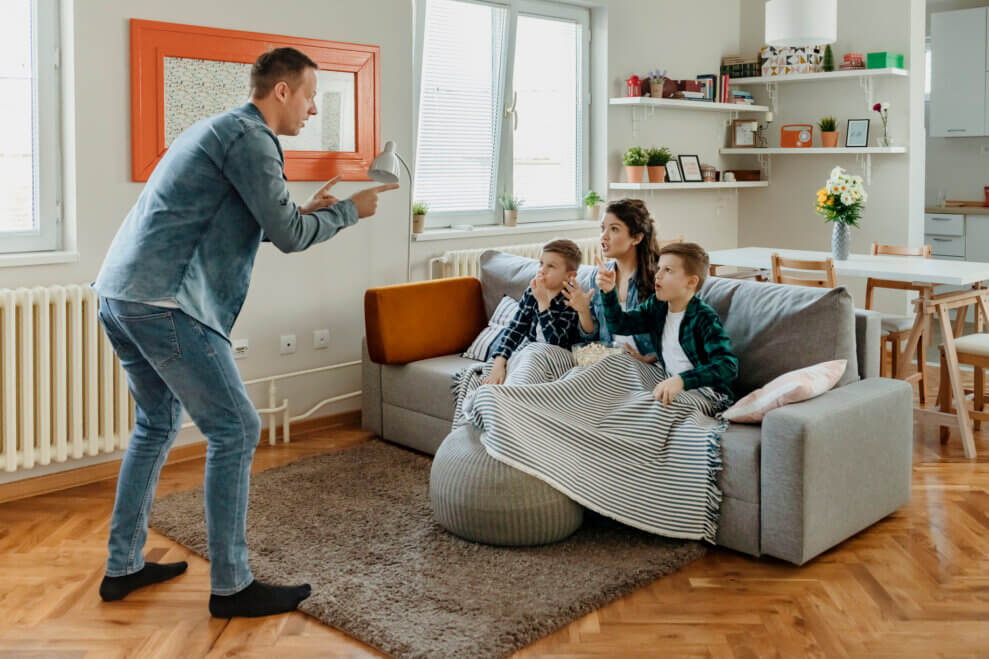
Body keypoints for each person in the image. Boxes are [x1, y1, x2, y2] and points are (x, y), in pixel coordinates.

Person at [92, 47, 398, 618]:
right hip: (165, 302)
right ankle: (232, 586)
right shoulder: (253, 138)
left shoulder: (217, 130)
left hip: (121, 294)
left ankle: (123, 565)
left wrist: (305, 210)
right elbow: (287, 236)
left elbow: (233, 220)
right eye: (309, 95)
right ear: (281, 91)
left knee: (156, 423)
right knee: (237, 428)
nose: (311, 109)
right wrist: (351, 212)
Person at [597, 242, 738, 405]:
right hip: (669, 382)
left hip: (708, 394)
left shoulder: (704, 317)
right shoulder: (657, 306)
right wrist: (608, 292)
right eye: (659, 268)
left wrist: (681, 381)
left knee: (649, 405)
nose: (658, 275)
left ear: (691, 282)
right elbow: (620, 325)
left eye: (668, 270)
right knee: (611, 376)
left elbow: (728, 366)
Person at [562, 199, 659, 363]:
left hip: (644, 368)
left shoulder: (657, 279)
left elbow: (675, 336)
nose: (604, 236)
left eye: (614, 229)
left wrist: (647, 359)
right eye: (602, 228)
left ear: (636, 238)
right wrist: (583, 310)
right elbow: (593, 339)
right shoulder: (599, 276)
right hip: (609, 363)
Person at [481, 239, 585, 385]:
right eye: (541, 263)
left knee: (531, 356)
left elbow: (556, 342)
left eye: (551, 266)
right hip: (529, 354)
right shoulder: (531, 293)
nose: (542, 270)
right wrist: (499, 364)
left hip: (556, 359)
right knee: (494, 368)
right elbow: (515, 329)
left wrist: (543, 303)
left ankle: (512, 392)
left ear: (569, 276)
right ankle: (498, 394)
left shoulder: (572, 299)